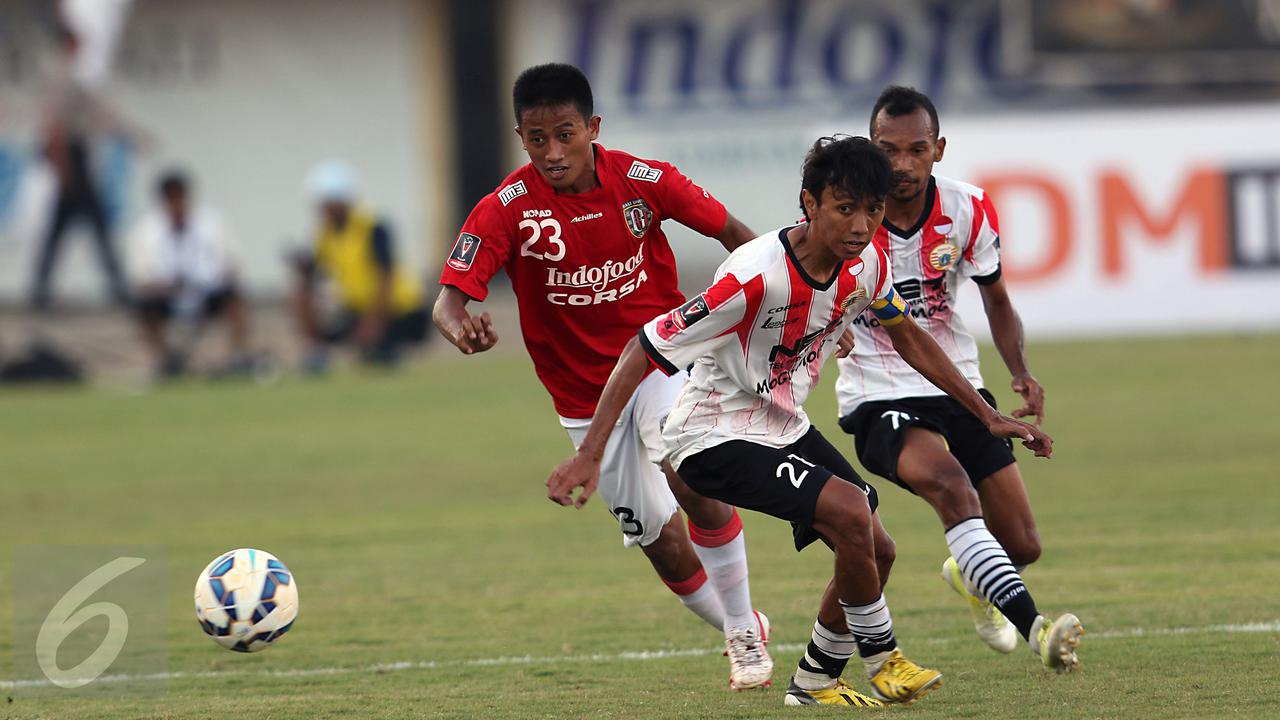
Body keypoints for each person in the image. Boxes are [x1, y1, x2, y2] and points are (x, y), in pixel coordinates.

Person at [548, 136, 1062, 707]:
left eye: (872, 211)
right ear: (809, 204)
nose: (862, 225)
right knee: (848, 511)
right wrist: (591, 453)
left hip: (780, 425)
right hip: (710, 434)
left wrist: (986, 415)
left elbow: (908, 335)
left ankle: (815, 681)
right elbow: (642, 349)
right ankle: (884, 659)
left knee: (876, 545)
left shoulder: (865, 266)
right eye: (846, 209)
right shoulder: (752, 278)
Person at [434, 63, 774, 689]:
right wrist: (461, 329)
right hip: (581, 398)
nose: (553, 152)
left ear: (593, 127)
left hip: (661, 361)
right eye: (537, 139)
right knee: (661, 543)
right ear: (521, 138)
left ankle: (743, 636)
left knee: (690, 469)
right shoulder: (505, 208)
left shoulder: (647, 182)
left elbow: (739, 239)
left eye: (566, 134)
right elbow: (448, 302)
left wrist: (779, 305)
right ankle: (741, 618)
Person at [833, 86, 1084, 671]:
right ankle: (1038, 631)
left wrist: (1020, 371)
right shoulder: (845, 214)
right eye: (886, 150)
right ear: (870, 149)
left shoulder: (968, 209)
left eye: (915, 149)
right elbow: (809, 286)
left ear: (938, 148)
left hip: (958, 385)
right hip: (878, 391)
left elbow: (996, 300)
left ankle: (972, 573)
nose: (900, 165)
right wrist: (831, 328)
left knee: (1021, 544)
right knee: (950, 484)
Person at [29, 18, 132, 311]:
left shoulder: (69, 74)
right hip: (70, 155)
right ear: (69, 43)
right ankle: (116, 286)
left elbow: (95, 113)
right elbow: (55, 124)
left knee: (62, 228)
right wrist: (62, 166)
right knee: (92, 225)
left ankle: (41, 289)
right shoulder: (59, 74)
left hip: (74, 154)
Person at [292, 161, 429, 372]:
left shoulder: (373, 226)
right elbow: (313, 272)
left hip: (400, 311)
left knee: (380, 352)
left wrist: (372, 325)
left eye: (325, 203)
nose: (321, 209)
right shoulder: (325, 233)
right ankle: (318, 351)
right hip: (358, 311)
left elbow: (386, 278)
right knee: (320, 314)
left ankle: (380, 349)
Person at [128, 169, 252, 378]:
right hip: (168, 296)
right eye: (172, 198)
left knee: (235, 297)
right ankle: (167, 361)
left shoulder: (212, 222)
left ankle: (236, 356)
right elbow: (141, 279)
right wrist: (168, 287)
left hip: (207, 292)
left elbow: (233, 264)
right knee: (143, 305)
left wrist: (213, 279)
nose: (178, 204)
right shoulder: (146, 230)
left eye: (181, 197)